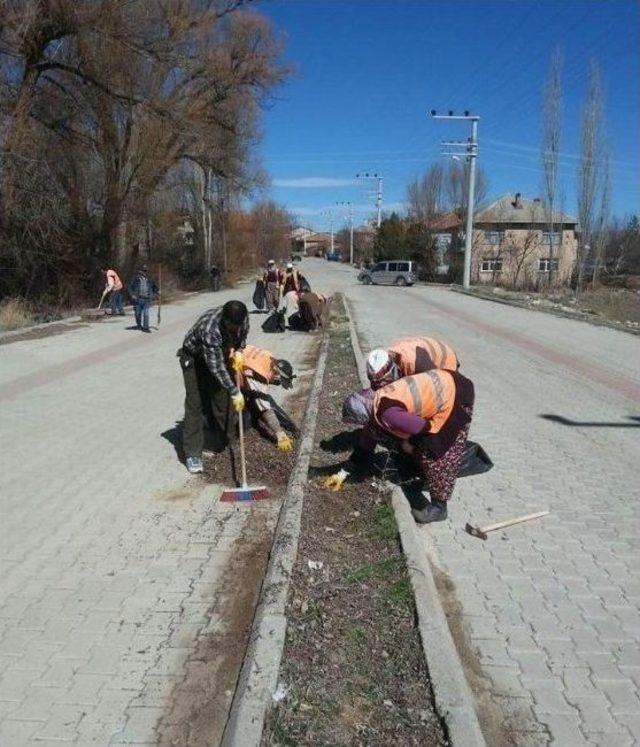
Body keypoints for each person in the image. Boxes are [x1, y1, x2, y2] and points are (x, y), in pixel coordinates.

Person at [325, 368, 475, 524]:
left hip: (456, 393)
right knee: (401, 440)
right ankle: (419, 470)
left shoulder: (388, 414)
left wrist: (410, 444)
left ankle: (439, 507)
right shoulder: (375, 401)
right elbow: (366, 442)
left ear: (362, 417)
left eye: (357, 422)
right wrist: (343, 473)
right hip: (443, 380)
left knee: (436, 451)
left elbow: (425, 429)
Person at [177, 301, 249, 474]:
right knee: (196, 403)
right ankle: (193, 454)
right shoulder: (211, 330)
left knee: (222, 399)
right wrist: (234, 391)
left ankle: (226, 442)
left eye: (238, 327)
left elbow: (243, 335)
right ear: (225, 320)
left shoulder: (242, 318)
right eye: (232, 327)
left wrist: (239, 349)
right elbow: (216, 367)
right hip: (194, 358)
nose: (236, 331)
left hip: (217, 355)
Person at [238, 344, 295, 451]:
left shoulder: (269, 357)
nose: (278, 383)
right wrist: (279, 433)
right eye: (279, 381)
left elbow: (271, 375)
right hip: (225, 370)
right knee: (249, 411)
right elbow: (265, 409)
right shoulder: (256, 374)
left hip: (237, 356)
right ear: (275, 371)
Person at [366, 336, 459, 390]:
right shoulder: (392, 356)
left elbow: (435, 386)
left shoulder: (415, 364)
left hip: (446, 361)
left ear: (392, 370)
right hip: (427, 355)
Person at [128, 265, 159, 332]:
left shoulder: (149, 279)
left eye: (146, 271)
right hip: (137, 300)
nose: (145, 272)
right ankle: (139, 324)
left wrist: (158, 291)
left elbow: (154, 287)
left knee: (146, 313)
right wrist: (132, 295)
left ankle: (146, 328)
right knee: (137, 314)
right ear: (140, 271)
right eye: (144, 271)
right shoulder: (135, 279)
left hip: (147, 300)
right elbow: (129, 288)